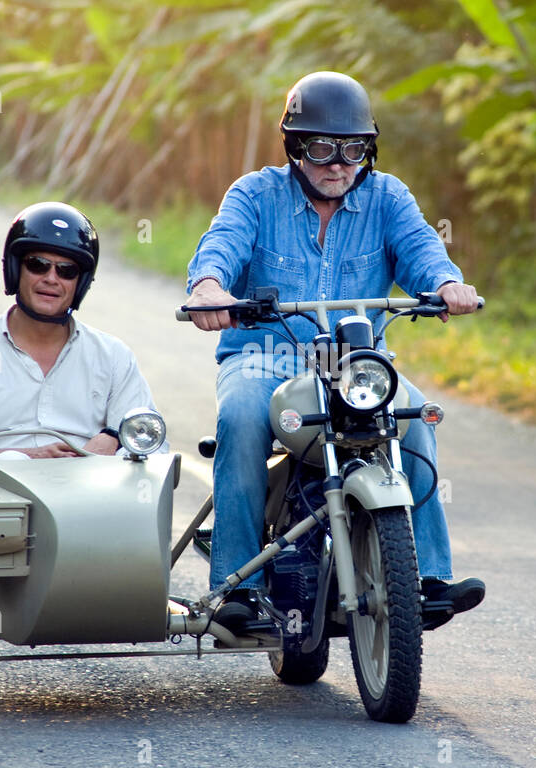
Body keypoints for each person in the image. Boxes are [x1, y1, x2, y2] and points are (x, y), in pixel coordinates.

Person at [184, 70, 485, 630]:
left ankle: (426, 579)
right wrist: (208, 289)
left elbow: (423, 250)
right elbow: (219, 247)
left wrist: (446, 284)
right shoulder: (255, 194)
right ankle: (238, 591)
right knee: (242, 415)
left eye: (353, 149)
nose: (337, 163)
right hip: (264, 358)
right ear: (295, 147)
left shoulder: (388, 197)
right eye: (322, 148)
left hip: (355, 364)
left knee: (415, 415)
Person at [0, 201, 160, 485]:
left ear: (81, 283)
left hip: (91, 501)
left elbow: (152, 445)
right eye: (38, 265)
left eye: (66, 270)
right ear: (15, 270)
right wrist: (25, 459)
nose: (51, 278)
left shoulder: (114, 357)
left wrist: (115, 442)